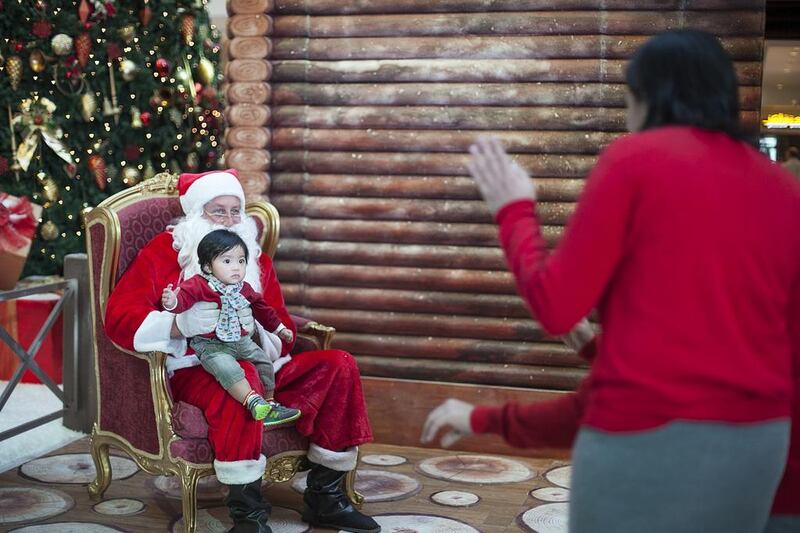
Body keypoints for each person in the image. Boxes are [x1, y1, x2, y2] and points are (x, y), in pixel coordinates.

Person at [422, 30, 800, 533]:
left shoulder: (634, 161)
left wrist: (512, 208)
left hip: (645, 440)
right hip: (759, 447)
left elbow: (556, 306)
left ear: (645, 98)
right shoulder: (782, 188)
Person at [105, 169, 380, 533]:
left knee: (338, 365)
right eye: (218, 211)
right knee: (243, 381)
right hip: (196, 365)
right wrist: (178, 325)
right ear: (196, 214)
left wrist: (262, 335)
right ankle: (248, 518)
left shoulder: (253, 260)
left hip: (261, 360)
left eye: (236, 211)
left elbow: (279, 320)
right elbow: (119, 318)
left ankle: (327, 498)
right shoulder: (164, 254)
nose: (230, 221)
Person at [161, 228, 300, 427]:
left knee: (263, 362)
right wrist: (172, 301)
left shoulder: (244, 288)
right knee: (227, 368)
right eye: (227, 261)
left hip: (241, 340)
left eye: (241, 261)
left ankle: (270, 403)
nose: (236, 267)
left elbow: (263, 310)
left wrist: (279, 329)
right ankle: (252, 401)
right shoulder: (199, 285)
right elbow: (182, 301)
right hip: (211, 345)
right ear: (208, 267)